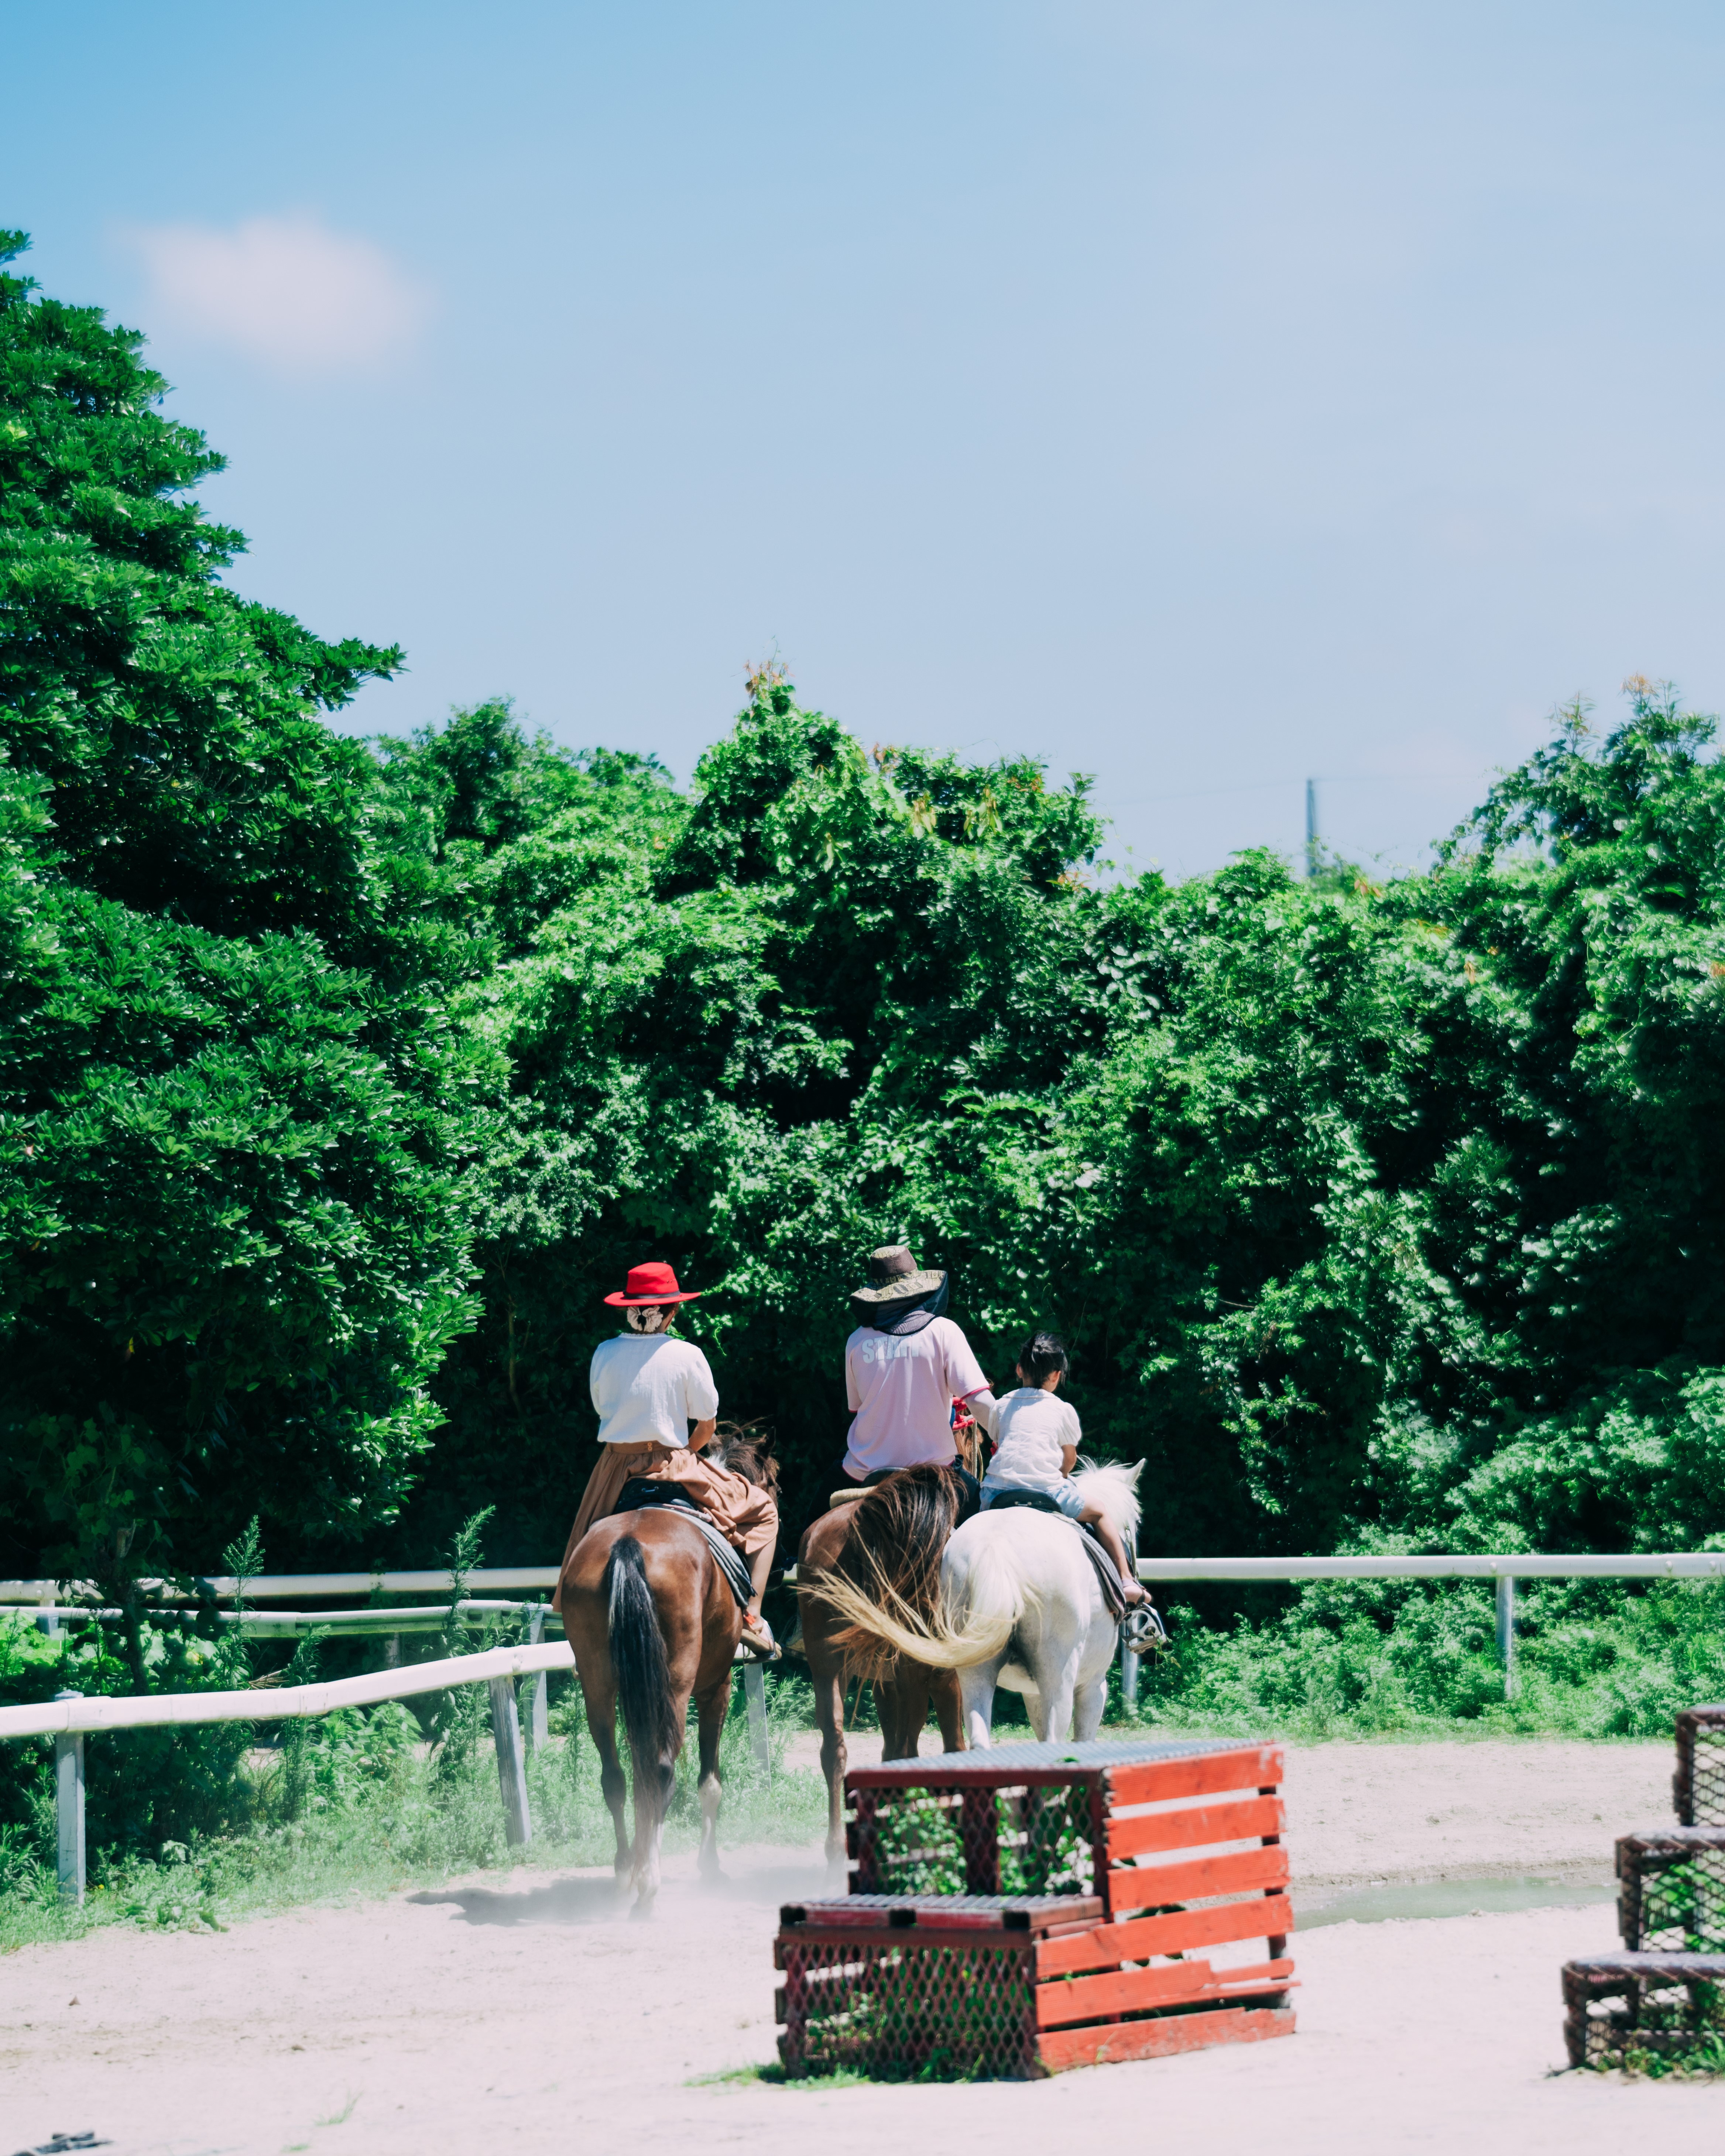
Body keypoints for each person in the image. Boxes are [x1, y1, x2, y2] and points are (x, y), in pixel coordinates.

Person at [558, 1260, 779, 1656]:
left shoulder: (603, 1352)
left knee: (583, 1540)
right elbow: (707, 1424)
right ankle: (753, 1616)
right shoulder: (686, 1353)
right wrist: (687, 1454)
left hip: (613, 1466)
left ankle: (580, 1639)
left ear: (628, 1307)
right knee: (763, 1511)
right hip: (676, 1461)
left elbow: (601, 1408)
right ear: (671, 1311)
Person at [975, 1330, 1147, 1606]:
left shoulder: (1001, 1405)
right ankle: (1127, 1580)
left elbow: (1001, 1441)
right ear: (1056, 1376)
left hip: (995, 1494)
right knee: (1101, 1513)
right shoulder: (1063, 1409)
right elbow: (1069, 1459)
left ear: (1019, 1369)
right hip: (1047, 1491)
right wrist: (1064, 1476)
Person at [841, 1245, 998, 1492]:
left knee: (813, 1519)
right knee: (984, 1515)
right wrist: (1008, 1436)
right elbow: (978, 1401)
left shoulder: (856, 1341)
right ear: (917, 1288)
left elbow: (859, 1408)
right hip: (935, 1471)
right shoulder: (944, 1331)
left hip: (864, 1472)